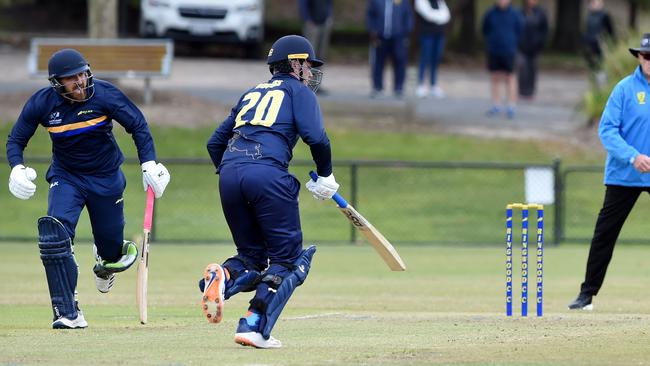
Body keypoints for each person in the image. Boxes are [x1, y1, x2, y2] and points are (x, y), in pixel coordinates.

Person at [5, 48, 170, 329]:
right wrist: (16, 168)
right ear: (57, 83)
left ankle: (104, 260)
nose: (80, 82)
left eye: (82, 74)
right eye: (71, 78)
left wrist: (149, 163)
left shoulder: (105, 95)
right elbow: (16, 139)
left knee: (112, 253)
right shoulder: (42, 104)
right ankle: (68, 312)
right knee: (54, 234)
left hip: (106, 178)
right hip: (66, 177)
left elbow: (138, 125)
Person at [201, 35, 339, 348]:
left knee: (250, 258)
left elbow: (214, 143)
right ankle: (253, 326)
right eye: (307, 65)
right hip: (266, 174)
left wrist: (236, 172)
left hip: (230, 175)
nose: (310, 72)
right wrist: (326, 175)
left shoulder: (251, 92)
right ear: (294, 63)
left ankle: (223, 276)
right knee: (288, 261)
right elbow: (317, 137)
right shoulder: (297, 91)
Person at [568, 34, 650, 311]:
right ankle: (586, 295)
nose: (649, 61)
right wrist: (632, 156)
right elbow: (607, 130)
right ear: (639, 58)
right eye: (646, 56)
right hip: (624, 173)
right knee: (605, 234)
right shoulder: (624, 89)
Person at [481, 0, 523, 119]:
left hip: (509, 51)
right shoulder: (490, 13)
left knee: (510, 77)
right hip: (494, 50)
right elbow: (485, 29)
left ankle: (511, 105)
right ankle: (496, 105)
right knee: (495, 76)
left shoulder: (515, 14)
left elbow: (520, 30)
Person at [367, 0, 414, 98]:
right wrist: (372, 30)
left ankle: (399, 88)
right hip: (380, 37)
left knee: (400, 62)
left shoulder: (403, 1)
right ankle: (377, 87)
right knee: (378, 62)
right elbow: (370, 15)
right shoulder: (375, 1)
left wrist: (406, 32)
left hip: (398, 37)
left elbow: (408, 16)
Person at [414, 0, 450, 99]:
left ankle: (433, 85)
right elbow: (428, 15)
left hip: (439, 34)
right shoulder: (421, 1)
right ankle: (420, 85)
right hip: (427, 35)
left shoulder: (439, 1)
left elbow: (447, 15)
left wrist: (437, 16)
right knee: (424, 58)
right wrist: (440, 16)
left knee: (436, 59)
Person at [299, 0, 334, 95]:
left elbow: (329, 3)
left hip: (324, 23)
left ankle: (316, 84)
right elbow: (303, 4)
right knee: (310, 56)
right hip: (312, 25)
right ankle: (306, 83)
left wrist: (329, 16)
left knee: (320, 55)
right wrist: (307, 20)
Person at [517, 0, 548, 99]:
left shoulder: (541, 13)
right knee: (522, 68)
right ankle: (521, 91)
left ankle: (530, 92)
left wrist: (540, 42)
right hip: (521, 46)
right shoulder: (520, 12)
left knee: (532, 69)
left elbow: (544, 30)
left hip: (535, 47)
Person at [583, 0, 615, 86]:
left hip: (601, 45)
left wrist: (609, 43)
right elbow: (587, 30)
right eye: (594, 3)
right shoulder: (589, 16)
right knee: (592, 65)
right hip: (590, 45)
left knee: (601, 65)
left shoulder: (605, 16)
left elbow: (610, 31)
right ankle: (593, 83)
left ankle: (601, 85)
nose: (595, 5)